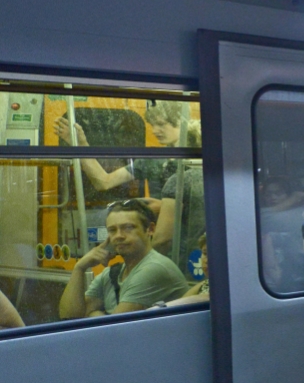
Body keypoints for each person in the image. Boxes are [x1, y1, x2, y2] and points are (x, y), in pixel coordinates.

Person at [57, 100, 204, 264]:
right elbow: (103, 182)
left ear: (181, 121)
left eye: (161, 124)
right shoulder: (152, 160)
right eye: (152, 125)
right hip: (162, 247)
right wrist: (80, 145)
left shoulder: (200, 159)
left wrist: (166, 207)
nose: (155, 130)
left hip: (196, 243)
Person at [59, 199, 189, 318]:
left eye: (128, 228)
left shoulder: (154, 268)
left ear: (150, 229)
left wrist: (94, 314)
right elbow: (69, 317)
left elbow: (114, 329)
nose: (119, 236)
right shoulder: (113, 273)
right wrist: (79, 268)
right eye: (112, 230)